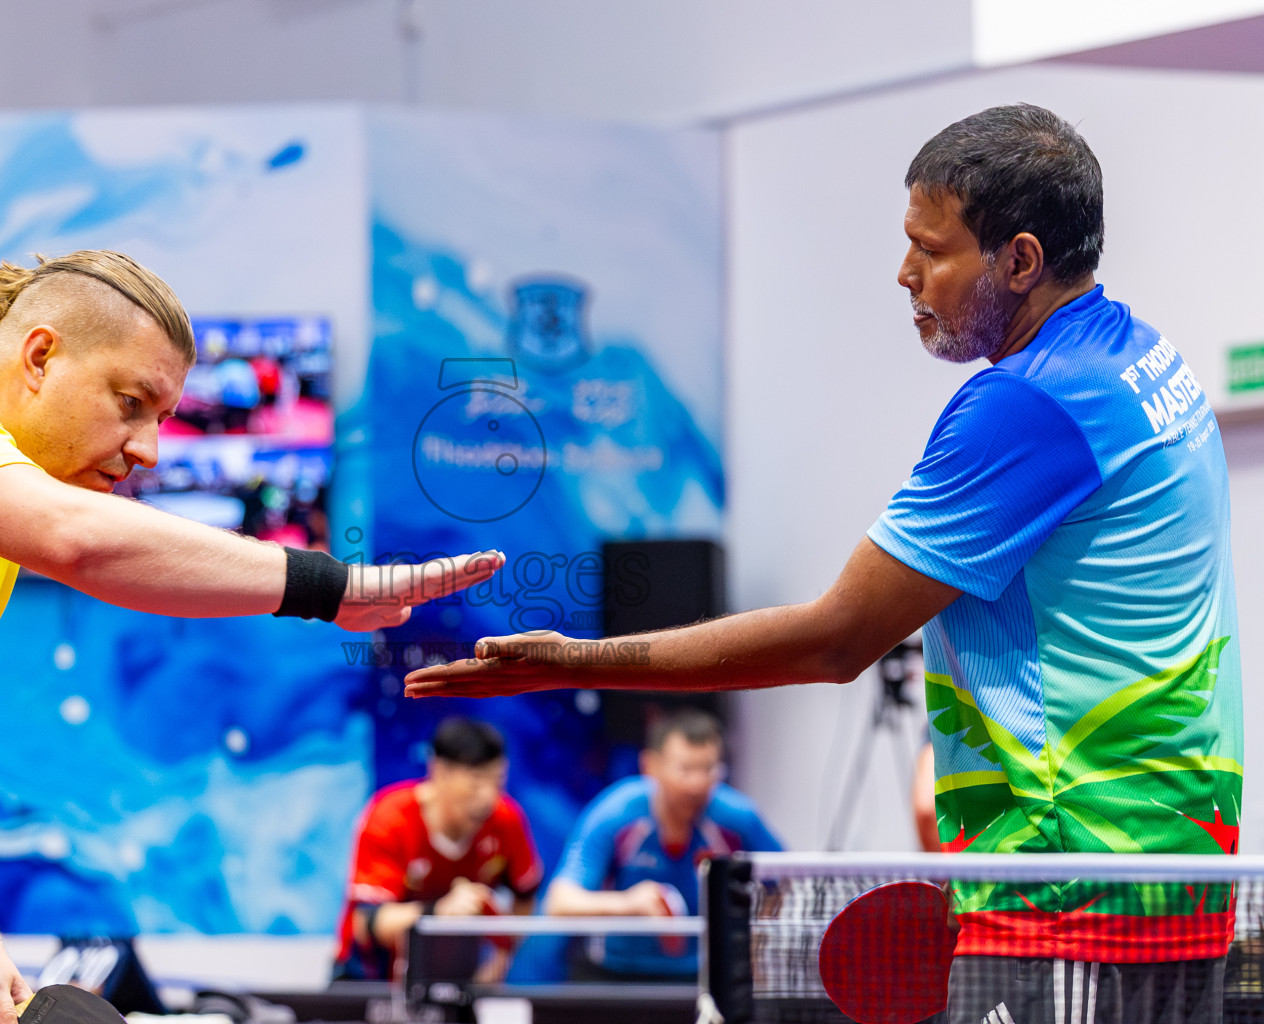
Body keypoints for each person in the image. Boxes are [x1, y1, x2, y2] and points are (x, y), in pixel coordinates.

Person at [407, 104, 1240, 1024]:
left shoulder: (1028, 404)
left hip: (1066, 896)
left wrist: (575, 660)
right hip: (1179, 873)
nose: (905, 273)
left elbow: (836, 638)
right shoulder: (1145, 362)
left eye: (931, 249)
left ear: (1020, 260)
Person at [0, 249, 502, 1024]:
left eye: (161, 420)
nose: (148, 449)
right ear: (40, 356)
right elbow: (78, 540)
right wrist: (332, 587)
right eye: (130, 403)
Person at [545, 710, 780, 981]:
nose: (697, 783)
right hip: (613, 974)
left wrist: (754, 940)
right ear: (650, 766)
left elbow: (786, 884)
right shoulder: (614, 814)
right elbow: (560, 902)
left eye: (709, 768)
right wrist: (628, 903)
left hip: (706, 974)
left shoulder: (738, 818)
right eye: (685, 769)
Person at [335, 717, 542, 983]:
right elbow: (368, 924)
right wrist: (440, 913)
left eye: (498, 781)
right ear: (439, 771)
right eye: (476, 782)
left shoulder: (506, 819)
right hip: (370, 977)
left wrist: (502, 958)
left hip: (457, 977)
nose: (488, 797)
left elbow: (525, 895)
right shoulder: (389, 818)